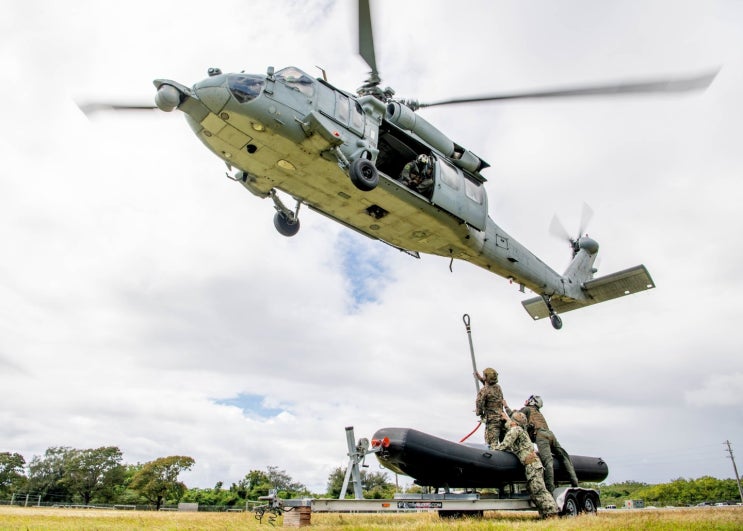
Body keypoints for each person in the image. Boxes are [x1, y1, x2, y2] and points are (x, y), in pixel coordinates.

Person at [494, 411, 559, 519]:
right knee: (534, 491)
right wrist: (506, 418)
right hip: (532, 466)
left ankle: (552, 513)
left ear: (514, 422)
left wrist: (494, 451)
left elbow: (505, 444)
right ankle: (545, 514)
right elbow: (512, 424)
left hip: (532, 466)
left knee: (539, 490)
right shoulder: (521, 429)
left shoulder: (515, 430)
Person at [508, 395, 579, 492]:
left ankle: (550, 489)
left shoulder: (526, 409)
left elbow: (516, 418)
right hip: (550, 434)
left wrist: (506, 407)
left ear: (532, 401)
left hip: (541, 435)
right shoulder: (538, 413)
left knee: (548, 462)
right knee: (564, 456)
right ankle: (575, 482)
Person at [474, 367, 505, 447]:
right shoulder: (498, 387)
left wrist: (479, 412)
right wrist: (481, 379)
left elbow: (479, 403)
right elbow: (490, 388)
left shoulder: (483, 391)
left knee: (491, 445)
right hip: (502, 419)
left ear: (486, 377)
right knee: (504, 444)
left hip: (492, 422)